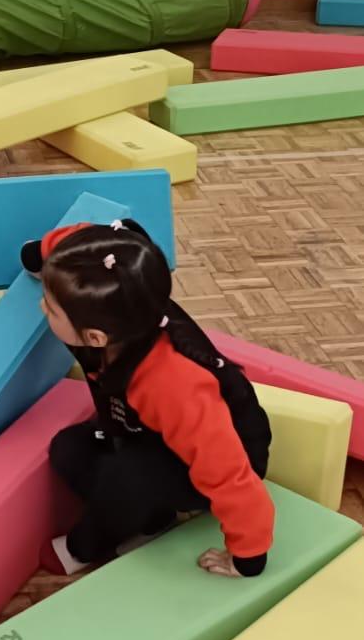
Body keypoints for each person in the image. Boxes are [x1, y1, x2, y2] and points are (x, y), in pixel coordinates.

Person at [24, 215, 274, 580]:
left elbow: (227, 472)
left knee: (125, 479)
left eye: (50, 307)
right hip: (147, 433)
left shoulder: (173, 383)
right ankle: (154, 520)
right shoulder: (116, 299)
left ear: (94, 337)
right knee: (69, 449)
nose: (41, 308)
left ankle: (86, 546)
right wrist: (42, 254)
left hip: (219, 456)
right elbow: (88, 241)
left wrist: (247, 555)